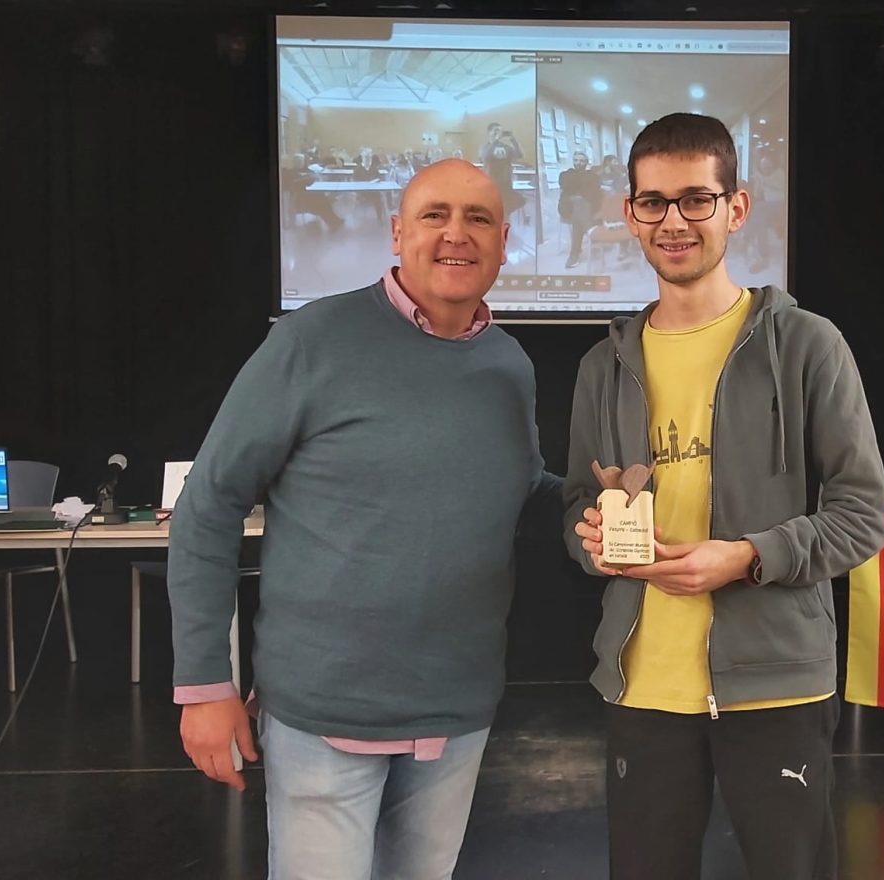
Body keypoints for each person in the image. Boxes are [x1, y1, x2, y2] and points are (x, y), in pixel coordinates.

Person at [169, 158, 560, 880]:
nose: (456, 234)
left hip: (457, 707)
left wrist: (607, 511)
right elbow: (209, 503)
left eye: (478, 219)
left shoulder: (508, 364)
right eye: (435, 215)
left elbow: (522, 489)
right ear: (397, 233)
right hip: (324, 710)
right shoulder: (313, 339)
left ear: (504, 243)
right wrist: (205, 685)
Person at [564, 113, 884, 880]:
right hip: (643, 684)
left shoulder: (806, 345)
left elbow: (864, 513)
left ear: (736, 208)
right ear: (630, 213)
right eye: (654, 202)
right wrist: (588, 537)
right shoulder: (602, 367)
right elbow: (578, 498)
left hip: (776, 683)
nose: (673, 222)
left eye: (696, 199)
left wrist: (746, 557)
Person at [558, 151, 604, 269]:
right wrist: (581, 190)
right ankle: (591, 231)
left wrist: (580, 193)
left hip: (586, 207)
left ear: (586, 163)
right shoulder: (565, 174)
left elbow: (594, 190)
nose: (578, 163)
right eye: (576, 160)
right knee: (579, 204)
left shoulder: (592, 175)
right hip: (568, 207)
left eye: (582, 161)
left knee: (579, 211)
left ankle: (574, 254)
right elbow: (566, 186)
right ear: (573, 161)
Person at [478, 122, 525, 220]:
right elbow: (485, 157)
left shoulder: (505, 147)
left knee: (506, 212)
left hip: (505, 183)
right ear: (489, 132)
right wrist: (494, 142)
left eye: (500, 131)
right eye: (495, 130)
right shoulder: (484, 147)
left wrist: (513, 139)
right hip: (491, 184)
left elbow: (520, 154)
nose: (498, 133)